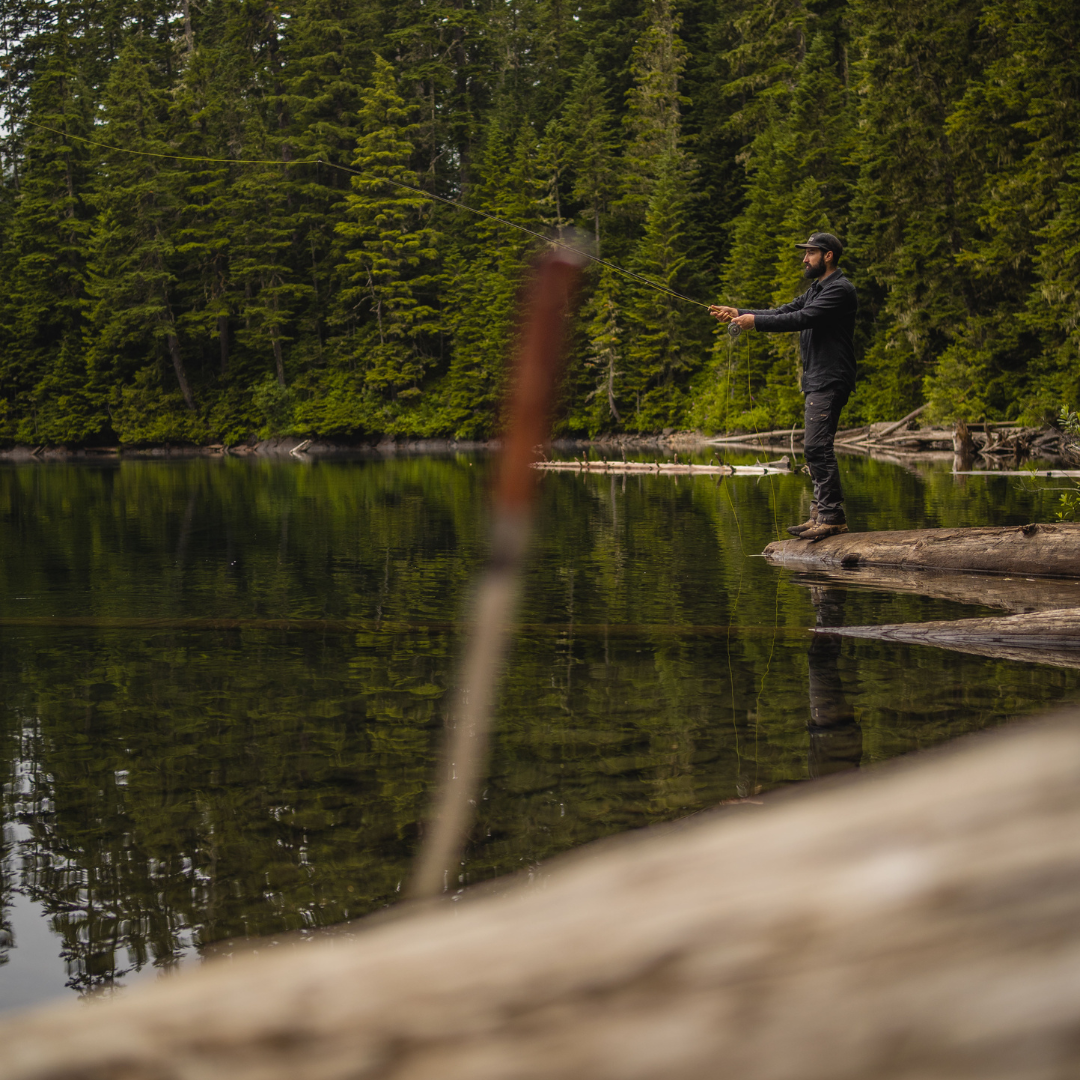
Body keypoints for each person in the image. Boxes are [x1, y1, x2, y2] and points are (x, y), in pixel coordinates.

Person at [710, 233, 858, 541]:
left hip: (831, 378)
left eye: (810, 253)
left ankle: (833, 518)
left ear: (827, 256)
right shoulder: (816, 289)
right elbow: (782, 311)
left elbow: (802, 318)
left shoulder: (840, 290)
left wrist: (755, 323)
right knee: (814, 447)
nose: (805, 259)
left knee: (817, 447)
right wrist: (738, 313)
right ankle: (820, 513)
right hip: (817, 378)